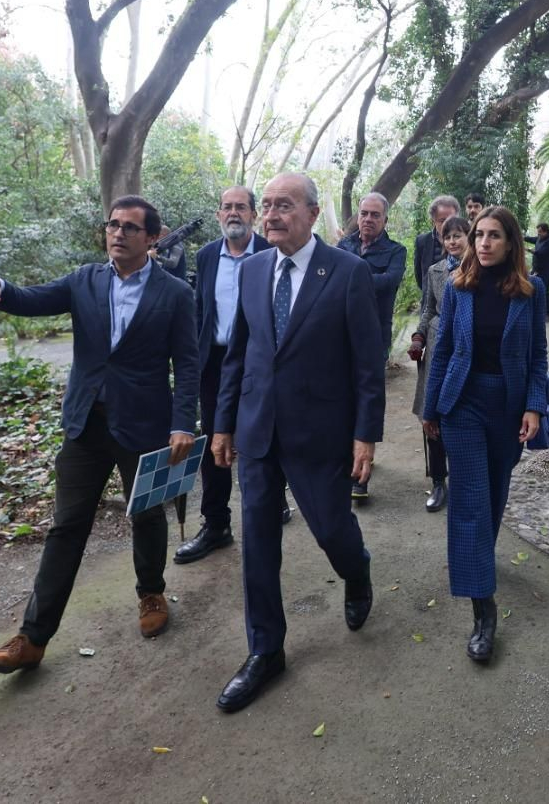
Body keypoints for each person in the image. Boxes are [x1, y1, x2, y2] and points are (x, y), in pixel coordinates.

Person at [0, 195, 200, 674]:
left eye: (129, 227)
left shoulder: (174, 293)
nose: (117, 233)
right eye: (112, 224)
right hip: (86, 424)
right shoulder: (85, 279)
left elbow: (187, 363)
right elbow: (34, 298)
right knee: (66, 527)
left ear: (153, 237)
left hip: (144, 424)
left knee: (146, 514)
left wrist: (183, 423)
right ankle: (33, 637)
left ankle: (151, 593)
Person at [209, 173, 385, 712]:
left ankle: (357, 572)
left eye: (283, 205)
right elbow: (239, 354)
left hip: (320, 431)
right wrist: (223, 423)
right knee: (258, 545)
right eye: (266, 206)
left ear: (311, 213)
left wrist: (365, 435)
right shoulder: (253, 268)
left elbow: (367, 364)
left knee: (332, 530)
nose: (270, 215)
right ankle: (266, 650)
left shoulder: (348, 272)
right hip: (258, 430)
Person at [422, 205, 548, 664]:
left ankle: (478, 559)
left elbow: (537, 355)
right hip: (464, 403)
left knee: (494, 494)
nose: (483, 243)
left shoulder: (531, 290)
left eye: (494, 235)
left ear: (511, 242)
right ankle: (483, 608)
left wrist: (534, 405)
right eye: (478, 235)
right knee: (471, 498)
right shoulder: (460, 286)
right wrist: (430, 408)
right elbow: (444, 351)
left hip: (508, 406)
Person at [174, 186, 291, 566]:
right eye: (227, 207)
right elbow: (201, 309)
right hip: (214, 361)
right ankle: (216, 524)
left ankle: (275, 500)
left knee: (268, 432)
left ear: (254, 214)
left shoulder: (273, 251)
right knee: (215, 441)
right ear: (218, 214)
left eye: (241, 207)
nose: (233, 213)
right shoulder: (208, 255)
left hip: (261, 361)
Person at [337, 191, 406, 499]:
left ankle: (361, 472)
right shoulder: (345, 245)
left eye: (374, 215)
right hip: (340, 334)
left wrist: (349, 277)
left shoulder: (396, 251)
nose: (367, 219)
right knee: (342, 398)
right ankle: (345, 460)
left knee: (368, 397)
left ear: (385, 220)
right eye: (364, 213)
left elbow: (389, 282)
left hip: (374, 336)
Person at [409, 214, 470, 512]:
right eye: (448, 237)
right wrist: (419, 337)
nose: (453, 241)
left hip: (467, 348)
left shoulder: (479, 270)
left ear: (469, 238)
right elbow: (428, 308)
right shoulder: (435, 270)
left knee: (460, 412)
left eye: (458, 235)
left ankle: (464, 480)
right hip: (435, 348)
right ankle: (437, 481)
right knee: (431, 413)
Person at [413, 195, 461, 291]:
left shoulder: (467, 241)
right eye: (442, 220)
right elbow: (420, 277)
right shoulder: (422, 241)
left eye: (452, 219)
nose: (448, 224)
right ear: (433, 221)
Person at [526, 222, 549, 321]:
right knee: (532, 288)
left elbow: (541, 253)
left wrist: (528, 250)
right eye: (538, 232)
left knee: (544, 290)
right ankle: (536, 311)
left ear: (546, 231)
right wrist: (521, 237)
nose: (538, 234)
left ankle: (548, 314)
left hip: (546, 270)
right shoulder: (540, 238)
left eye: (540, 232)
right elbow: (532, 239)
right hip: (536, 268)